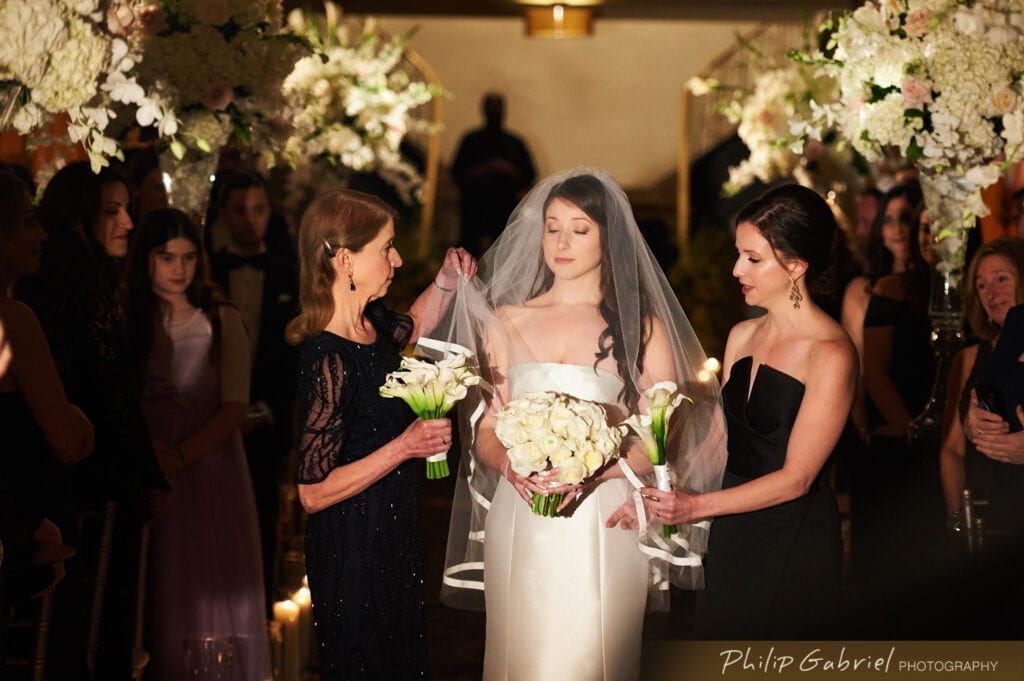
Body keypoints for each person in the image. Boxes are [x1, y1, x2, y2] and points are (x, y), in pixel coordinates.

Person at [437, 168, 727, 679]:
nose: (561, 242)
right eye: (552, 227)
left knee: (595, 657)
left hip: (603, 512)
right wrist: (508, 465)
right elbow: (487, 429)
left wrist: (596, 473)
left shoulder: (641, 328)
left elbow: (656, 437)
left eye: (579, 228)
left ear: (608, 238)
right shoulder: (505, 319)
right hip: (521, 509)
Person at [643, 184, 857, 639]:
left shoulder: (832, 353)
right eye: (738, 254)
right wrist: (657, 490)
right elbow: (718, 441)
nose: (736, 268)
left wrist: (696, 506)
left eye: (753, 258)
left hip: (790, 534)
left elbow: (797, 479)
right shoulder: (741, 335)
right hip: (730, 528)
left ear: (796, 266)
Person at [287, 189, 477, 680]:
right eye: (386, 248)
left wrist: (445, 282)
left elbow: (411, 328)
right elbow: (311, 492)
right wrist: (406, 445)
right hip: (352, 550)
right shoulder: (326, 359)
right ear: (346, 260)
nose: (396, 259)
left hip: (393, 537)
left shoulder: (370, 324)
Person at [17, 161, 170, 678]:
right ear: (77, 219)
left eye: (128, 208)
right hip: (81, 484)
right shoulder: (74, 293)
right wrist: (146, 473)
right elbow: (111, 396)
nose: (129, 222)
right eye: (112, 211)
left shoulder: (57, 287)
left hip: (60, 481)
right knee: (84, 629)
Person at [123, 208, 271, 680]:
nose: (178, 268)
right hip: (143, 460)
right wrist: (150, 452)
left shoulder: (219, 319)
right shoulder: (127, 316)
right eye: (166, 257)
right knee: (157, 581)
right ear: (145, 258)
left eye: (188, 257)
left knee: (205, 574)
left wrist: (179, 455)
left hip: (208, 468)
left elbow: (234, 405)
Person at [0, 166, 92, 618]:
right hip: (20, 539)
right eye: (28, 221)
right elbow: (67, 441)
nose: (41, 234)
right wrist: (76, 414)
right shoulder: (12, 320)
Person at [208, 168, 299, 613]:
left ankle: (258, 612)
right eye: (240, 210)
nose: (250, 220)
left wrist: (266, 410)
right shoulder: (205, 273)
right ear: (223, 215)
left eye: (259, 210)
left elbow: (296, 358)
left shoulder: (289, 275)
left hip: (267, 419)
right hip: (210, 420)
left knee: (261, 514)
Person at [451, 92, 536, 257]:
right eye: (491, 107)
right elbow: (457, 172)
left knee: (504, 254)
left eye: (497, 107)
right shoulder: (471, 140)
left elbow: (530, 175)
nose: (494, 111)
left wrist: (508, 170)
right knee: (468, 254)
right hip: (474, 208)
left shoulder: (515, 143)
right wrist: (482, 171)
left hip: (504, 208)